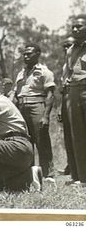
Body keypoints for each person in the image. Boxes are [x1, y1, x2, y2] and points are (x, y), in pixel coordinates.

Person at [15, 43, 56, 183]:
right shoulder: (21, 73)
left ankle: (48, 174)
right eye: (24, 54)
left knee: (42, 140)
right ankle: (30, 173)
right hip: (21, 108)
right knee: (26, 142)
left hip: (37, 106)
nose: (26, 56)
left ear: (37, 54)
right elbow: (16, 93)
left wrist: (45, 116)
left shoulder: (45, 72)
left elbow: (50, 95)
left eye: (29, 54)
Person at [64, 14, 86, 187]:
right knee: (77, 135)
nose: (75, 29)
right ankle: (82, 178)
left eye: (79, 26)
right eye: (73, 27)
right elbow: (69, 72)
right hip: (74, 92)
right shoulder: (71, 50)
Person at [57, 36, 76, 177]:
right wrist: (60, 108)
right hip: (66, 98)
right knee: (69, 135)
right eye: (64, 46)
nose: (66, 48)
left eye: (69, 45)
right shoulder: (65, 65)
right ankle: (72, 166)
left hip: (77, 98)